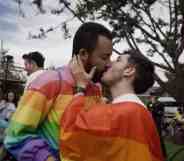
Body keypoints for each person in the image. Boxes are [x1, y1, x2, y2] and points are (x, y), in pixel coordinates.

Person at [4, 22, 112, 161]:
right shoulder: (50, 81)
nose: (109, 63)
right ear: (83, 54)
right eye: (104, 57)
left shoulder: (95, 89)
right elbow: (15, 137)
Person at [60, 50, 165, 161]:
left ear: (129, 71)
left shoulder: (124, 112)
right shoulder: (138, 112)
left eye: (118, 60)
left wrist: (81, 85)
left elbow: (71, 133)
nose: (109, 64)